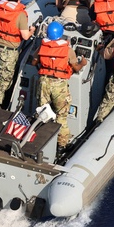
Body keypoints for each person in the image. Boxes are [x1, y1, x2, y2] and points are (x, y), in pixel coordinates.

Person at [36, 21, 87, 149]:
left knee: (44, 113)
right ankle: (61, 145)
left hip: (44, 83)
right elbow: (75, 68)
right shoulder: (68, 50)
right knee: (61, 115)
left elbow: (33, 61)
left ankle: (41, 141)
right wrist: (83, 63)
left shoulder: (42, 46)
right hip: (59, 85)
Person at [0, 0, 32, 107]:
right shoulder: (20, 14)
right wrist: (32, 30)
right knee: (4, 80)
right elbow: (25, 36)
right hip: (9, 52)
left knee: (2, 73)